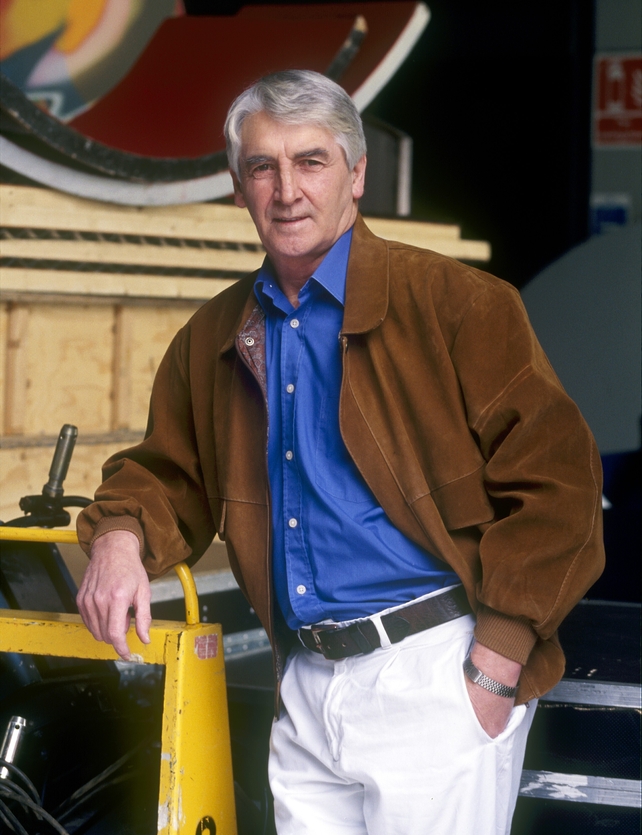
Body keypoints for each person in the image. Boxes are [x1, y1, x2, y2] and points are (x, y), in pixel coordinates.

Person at [76, 70, 604, 834]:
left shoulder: (460, 305)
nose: (286, 189)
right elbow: (166, 471)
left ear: (356, 176)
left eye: (311, 161)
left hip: (436, 673)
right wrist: (120, 536)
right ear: (238, 187)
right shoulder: (214, 335)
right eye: (263, 166)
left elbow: (561, 487)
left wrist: (495, 661)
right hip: (308, 682)